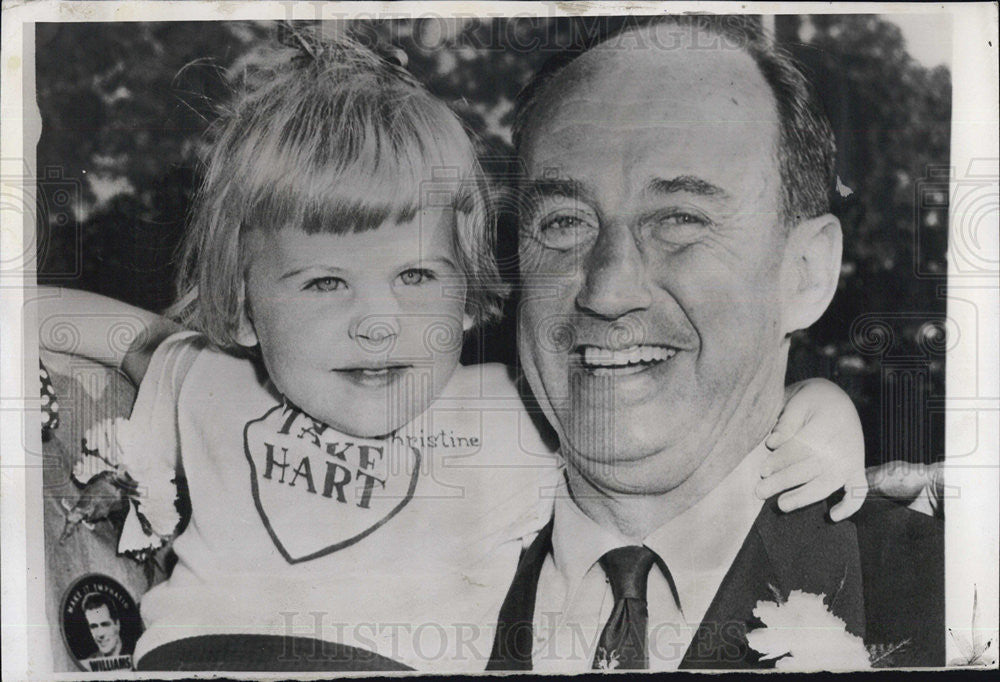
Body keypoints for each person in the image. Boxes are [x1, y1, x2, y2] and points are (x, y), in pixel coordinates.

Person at [40, 27, 870, 672]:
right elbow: (93, 326)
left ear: (466, 284)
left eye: (415, 276)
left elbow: (691, 405)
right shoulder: (208, 378)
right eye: (325, 284)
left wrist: (826, 415)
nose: (377, 324)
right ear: (243, 306)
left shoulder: (509, 410)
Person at [488, 16, 943, 671]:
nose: (609, 290)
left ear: (805, 274)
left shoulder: (948, 601)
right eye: (564, 222)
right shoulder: (406, 569)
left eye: (680, 220)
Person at [82, 593, 124, 659]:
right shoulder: (89, 662)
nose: (100, 634)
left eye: (105, 624)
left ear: (117, 624)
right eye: (94, 627)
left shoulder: (136, 655)